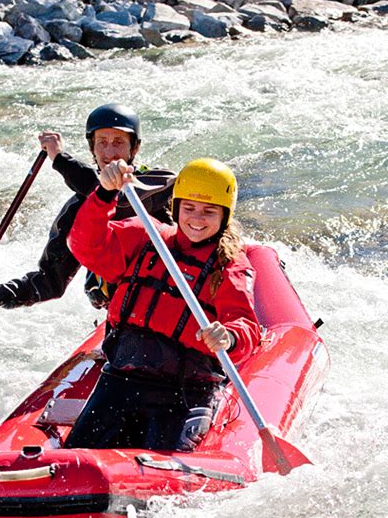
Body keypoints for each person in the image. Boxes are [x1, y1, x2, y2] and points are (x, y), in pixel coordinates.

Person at [64, 157, 262, 452]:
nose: (197, 219)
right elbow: (84, 244)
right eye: (189, 208)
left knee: (161, 465)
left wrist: (229, 336)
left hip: (186, 393)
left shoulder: (229, 266)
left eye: (209, 211)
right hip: (121, 380)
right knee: (75, 459)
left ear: (224, 216)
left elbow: (246, 326)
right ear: (176, 207)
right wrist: (105, 193)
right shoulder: (145, 237)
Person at [0, 103, 176, 313]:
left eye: (118, 142)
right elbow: (50, 281)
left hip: (173, 292)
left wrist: (60, 159)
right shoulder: (78, 209)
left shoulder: (160, 182)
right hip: (125, 305)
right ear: (92, 148)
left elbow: (123, 202)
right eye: (102, 142)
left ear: (134, 148)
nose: (109, 152)